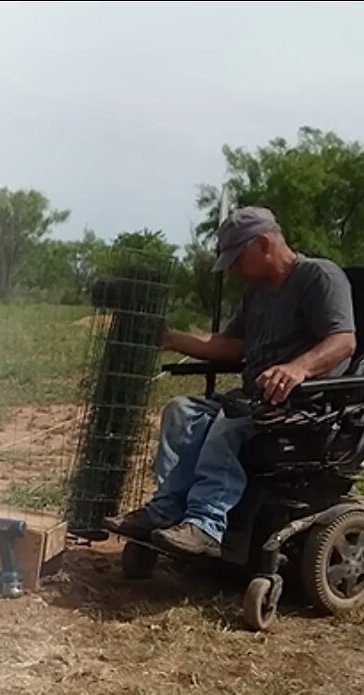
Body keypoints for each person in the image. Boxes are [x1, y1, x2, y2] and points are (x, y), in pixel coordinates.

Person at [103, 206, 357, 557]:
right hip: (257, 399)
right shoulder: (256, 292)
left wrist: (298, 369)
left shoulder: (319, 277)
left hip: (308, 406)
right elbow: (232, 345)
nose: (234, 270)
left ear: (264, 244)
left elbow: (343, 341)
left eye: (238, 259)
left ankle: (206, 525)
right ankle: (165, 512)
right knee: (182, 410)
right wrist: (171, 338)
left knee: (230, 421)